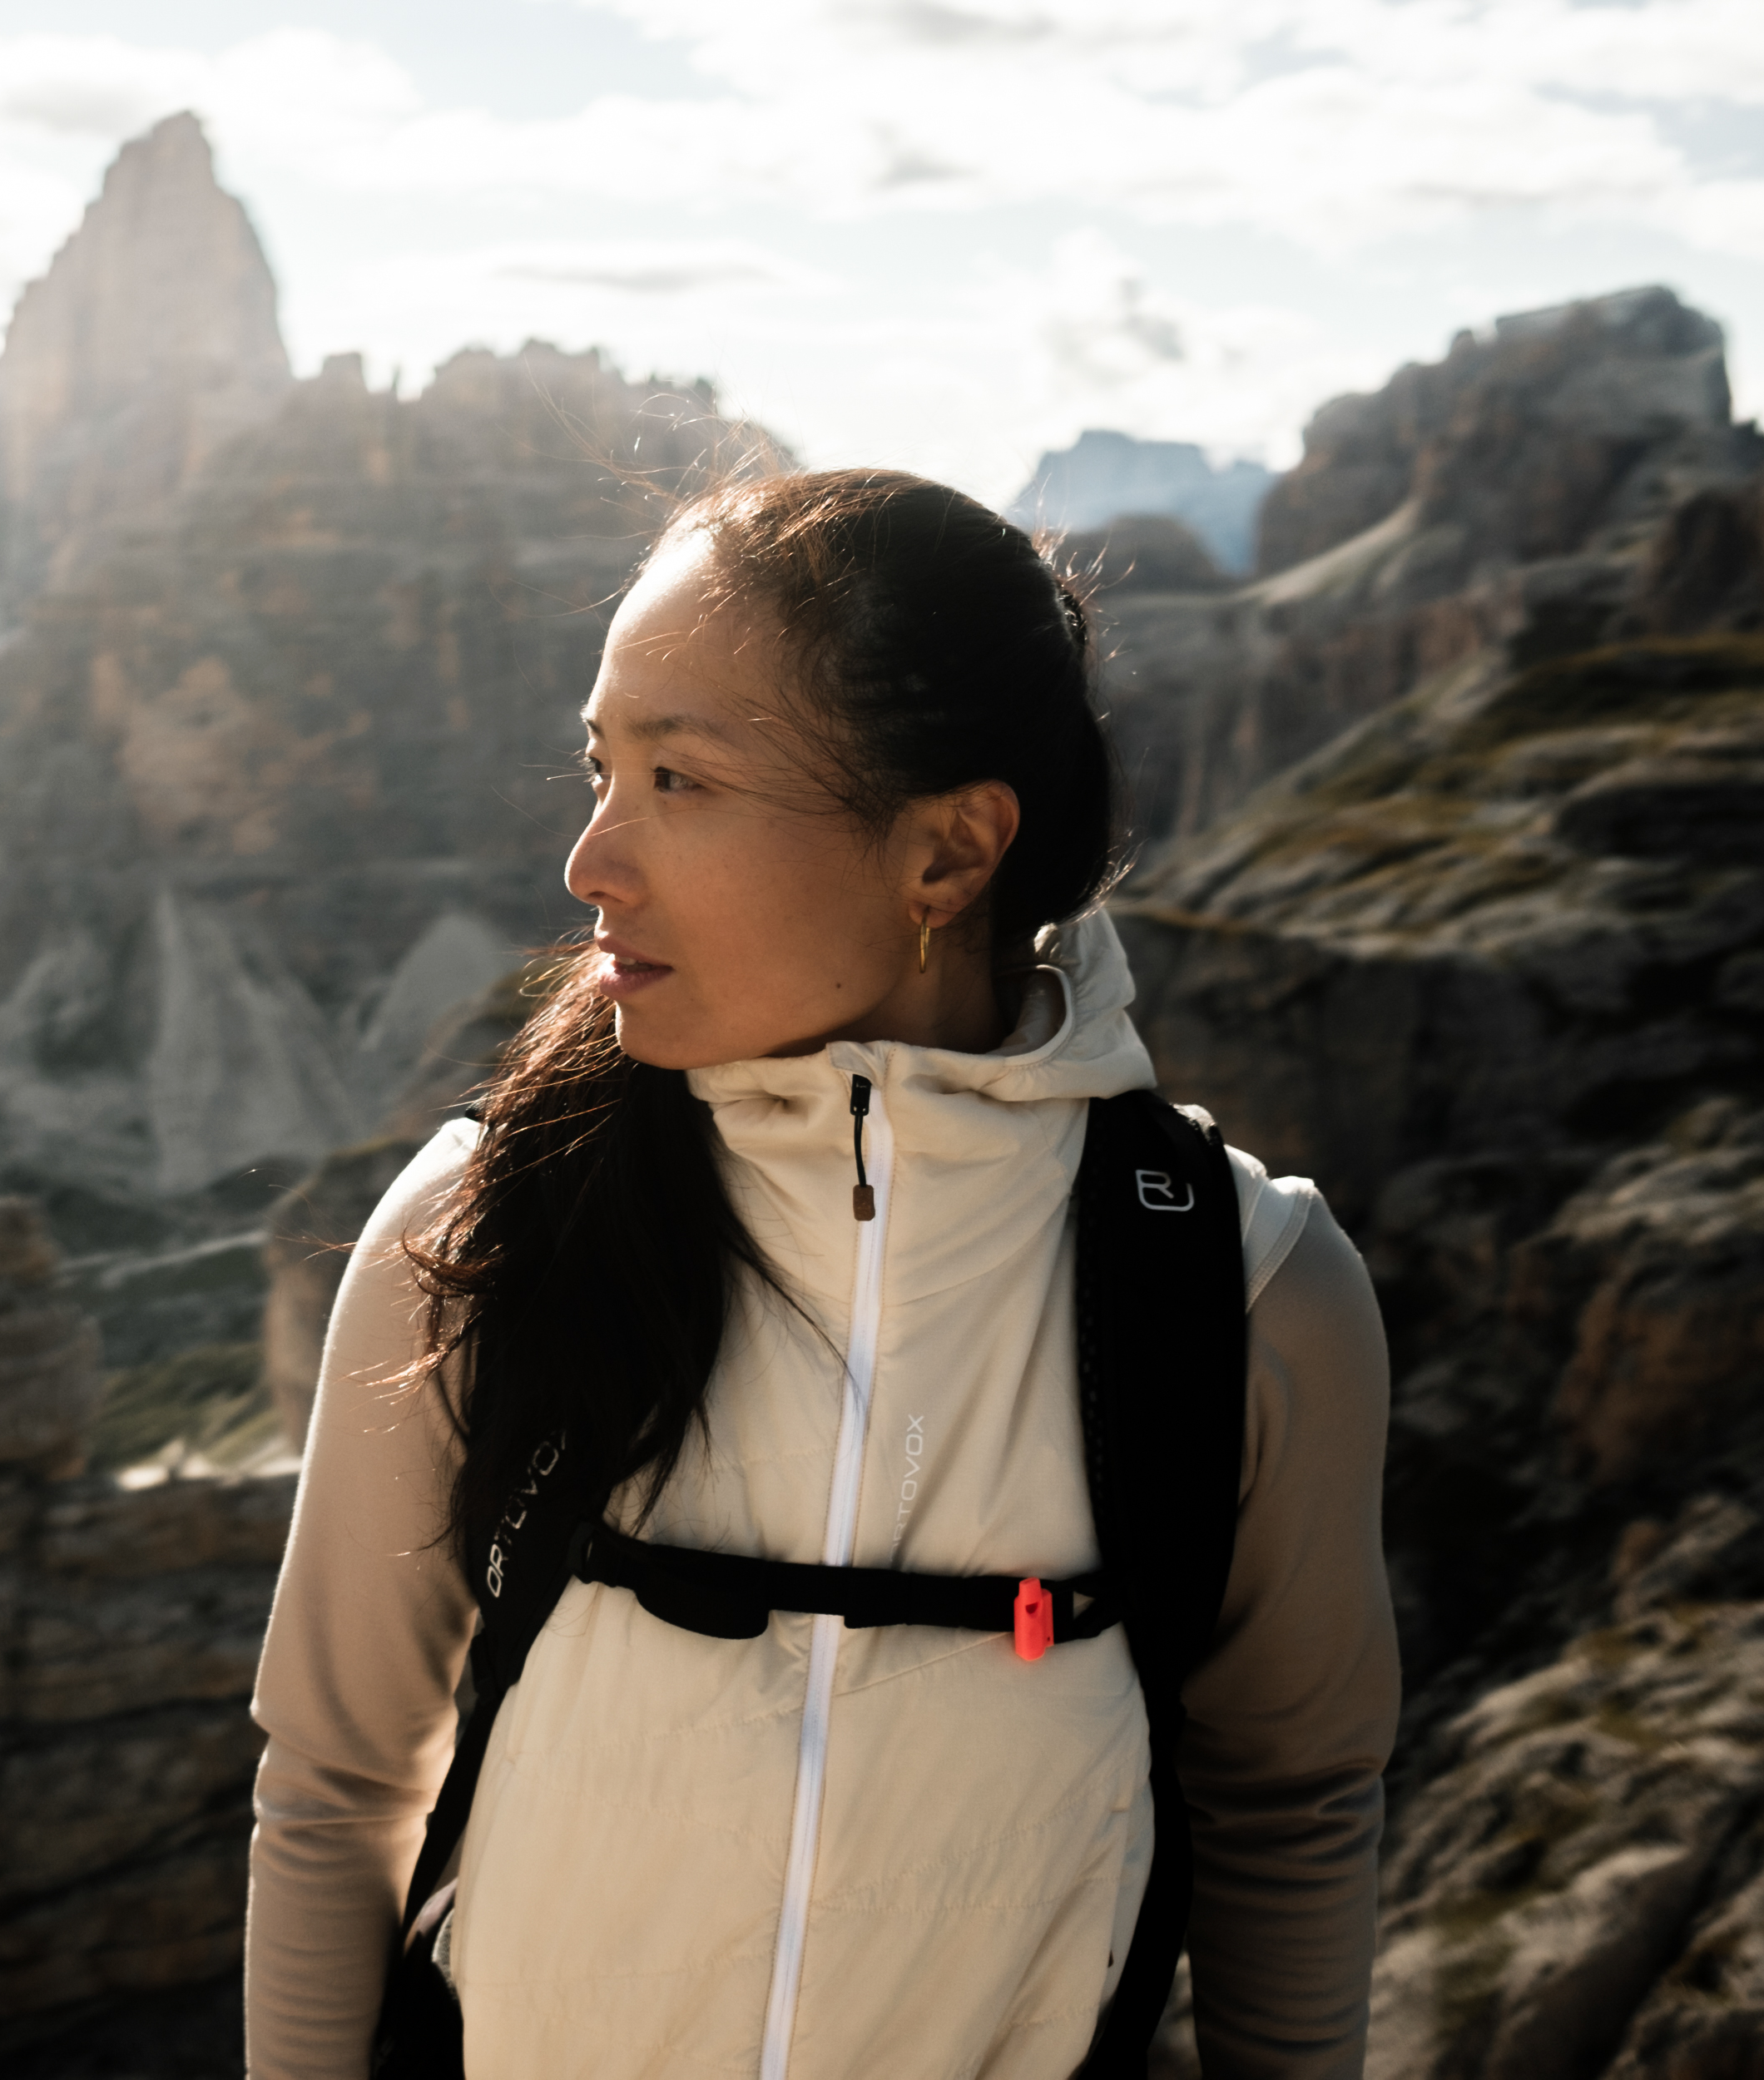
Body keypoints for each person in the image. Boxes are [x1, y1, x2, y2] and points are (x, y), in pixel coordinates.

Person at [244, 468, 1397, 2079]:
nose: (590, 858)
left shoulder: (1251, 1294)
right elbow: (335, 1782)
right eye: (600, 767)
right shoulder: (482, 1224)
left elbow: (1292, 1805)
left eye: (679, 780)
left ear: (948, 851)